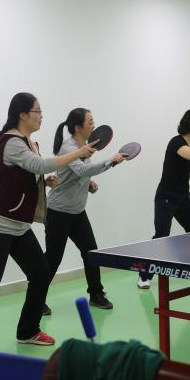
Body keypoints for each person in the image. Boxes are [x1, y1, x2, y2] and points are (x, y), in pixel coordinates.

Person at [0, 93, 97, 347]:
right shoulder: (11, 142)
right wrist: (78, 153)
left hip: (19, 226)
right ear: (23, 115)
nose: (41, 116)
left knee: (40, 273)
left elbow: (28, 173)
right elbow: (40, 165)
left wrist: (44, 182)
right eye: (38, 111)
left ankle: (28, 331)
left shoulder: (29, 143)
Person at [42, 108, 125, 315]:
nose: (93, 125)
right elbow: (81, 169)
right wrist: (110, 161)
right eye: (90, 122)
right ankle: (37, 298)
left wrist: (88, 184)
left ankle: (96, 294)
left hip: (77, 211)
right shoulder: (68, 148)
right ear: (78, 127)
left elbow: (75, 175)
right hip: (58, 212)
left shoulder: (84, 146)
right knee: (53, 258)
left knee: (91, 252)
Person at [137, 109, 190, 289]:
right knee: (161, 236)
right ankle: (144, 275)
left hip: (183, 197)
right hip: (166, 197)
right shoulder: (176, 142)